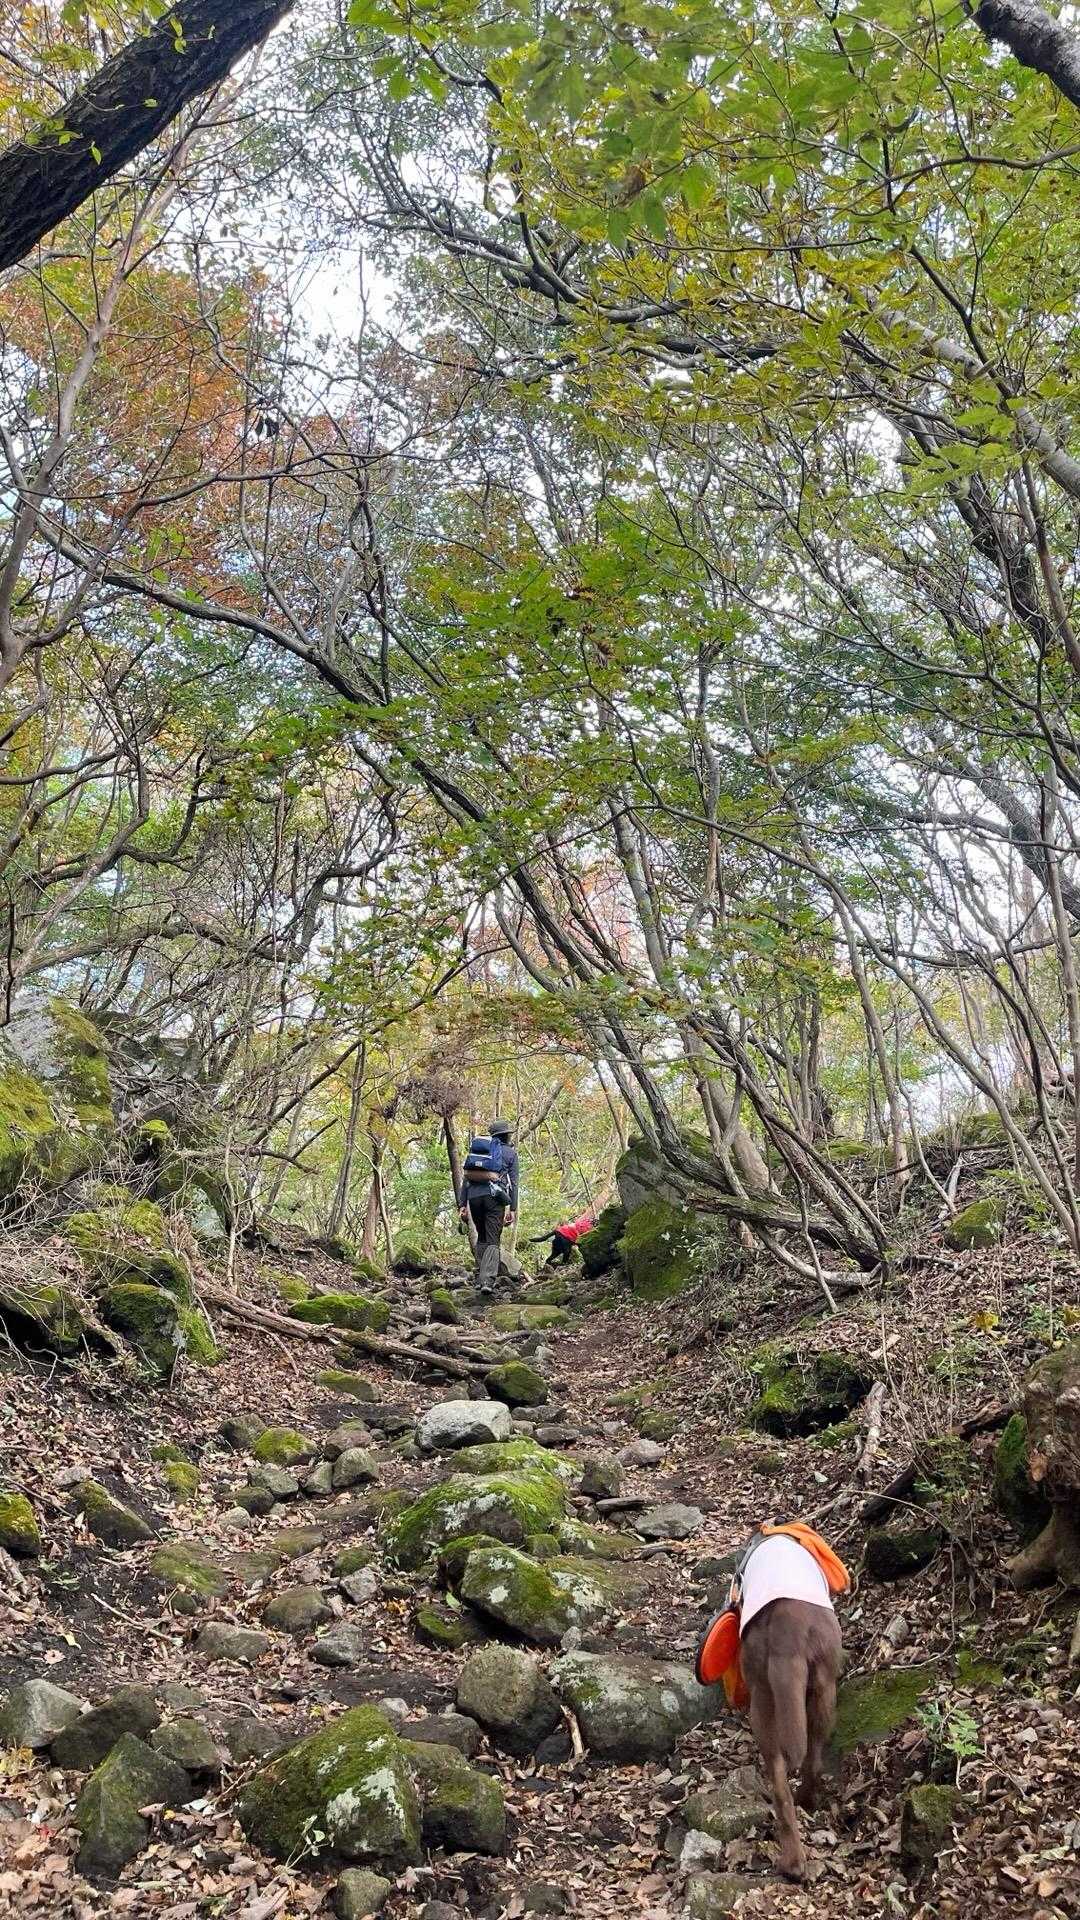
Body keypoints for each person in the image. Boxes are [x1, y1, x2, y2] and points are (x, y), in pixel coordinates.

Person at [459, 1118, 519, 1294]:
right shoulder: (510, 1153)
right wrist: (512, 1208)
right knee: (493, 1238)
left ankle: (479, 1278)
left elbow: (466, 1178)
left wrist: (462, 1204)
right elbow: (514, 1183)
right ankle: (487, 1281)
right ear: (506, 1136)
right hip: (495, 1198)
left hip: (474, 1197)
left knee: (482, 1236)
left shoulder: (480, 1151)